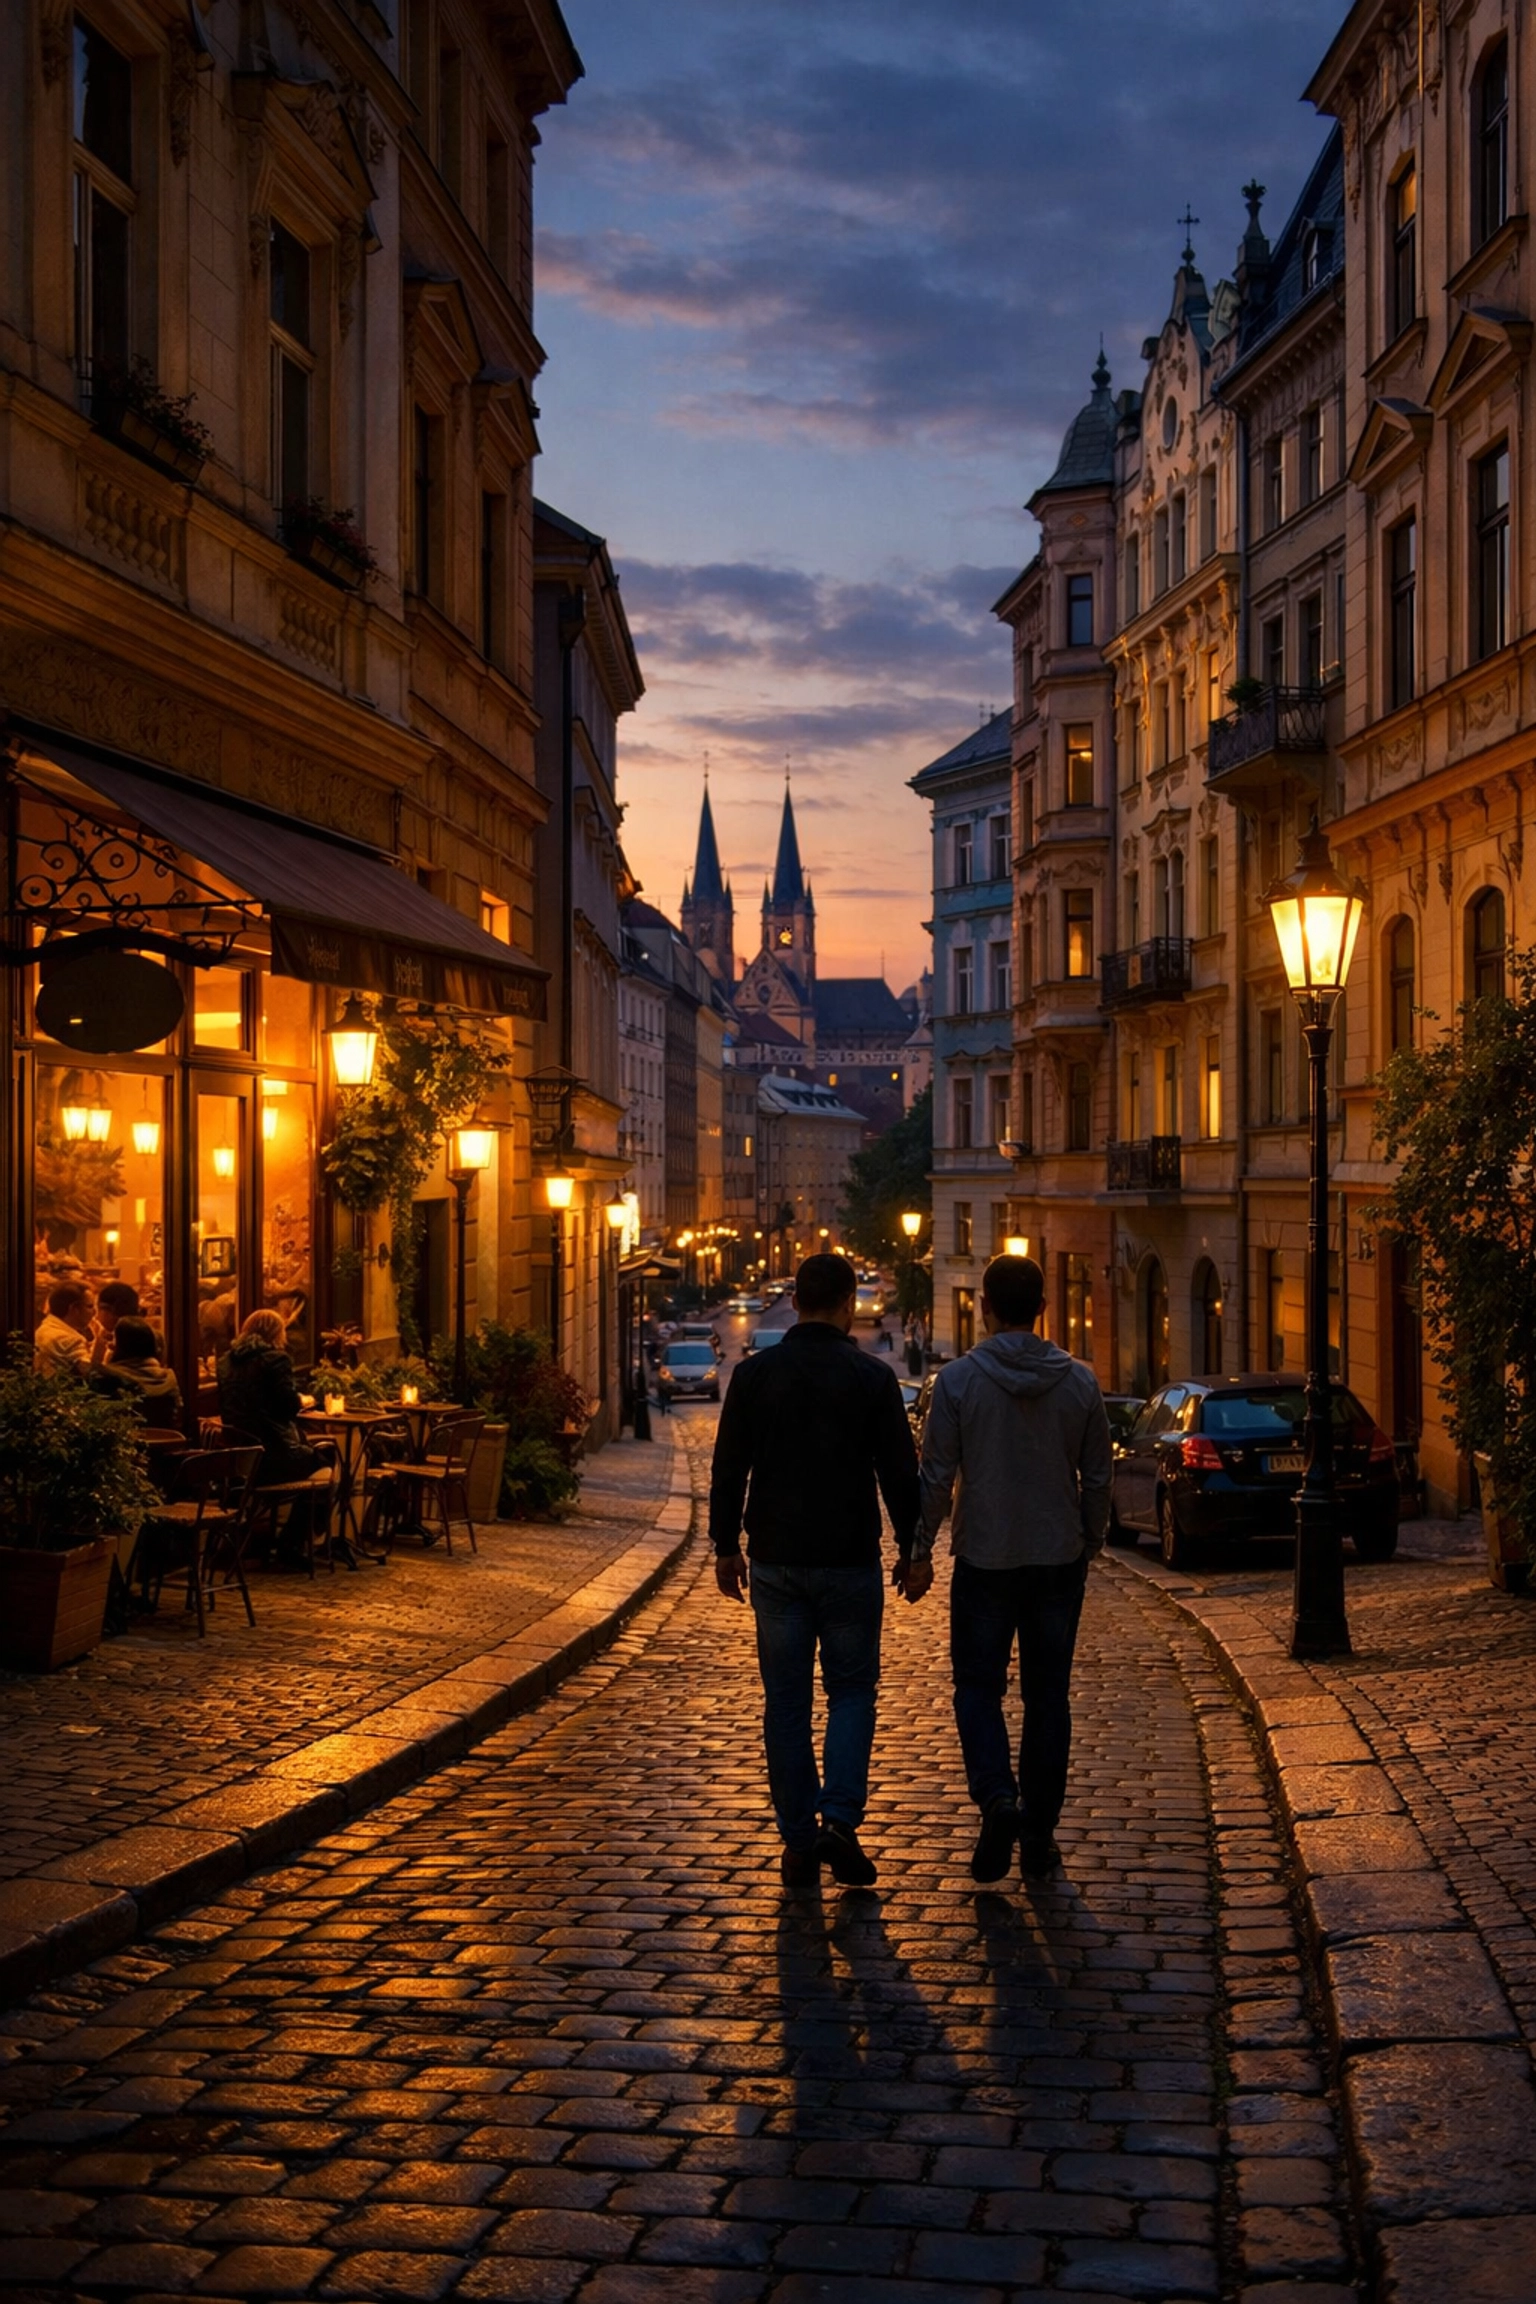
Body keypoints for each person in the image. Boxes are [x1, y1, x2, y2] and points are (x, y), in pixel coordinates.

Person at [711, 1251, 931, 1889]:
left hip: (777, 1559)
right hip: (847, 1560)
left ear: (799, 1302)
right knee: (852, 1692)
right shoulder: (870, 1377)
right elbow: (898, 1474)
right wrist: (913, 1553)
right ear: (847, 1305)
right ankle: (838, 1817)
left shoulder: (755, 1377)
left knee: (785, 1701)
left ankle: (798, 1842)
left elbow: (729, 1466)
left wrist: (727, 1544)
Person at [918, 1254, 1111, 1885]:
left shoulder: (958, 1383)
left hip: (986, 1559)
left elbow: (936, 1477)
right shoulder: (1080, 1382)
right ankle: (1040, 1835)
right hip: (1057, 1558)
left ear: (985, 1307)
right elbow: (1099, 1473)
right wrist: (1091, 1536)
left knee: (978, 1690)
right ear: (1043, 1309)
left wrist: (918, 1547)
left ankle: (997, 1798)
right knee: (1048, 1699)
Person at [218, 1309, 333, 1562]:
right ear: (277, 1333)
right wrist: (303, 1400)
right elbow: (287, 1406)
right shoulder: (276, 1359)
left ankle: (272, 1538)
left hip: (238, 1458)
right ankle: (293, 1544)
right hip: (272, 1456)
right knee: (324, 1462)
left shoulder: (225, 1361)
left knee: (314, 1457)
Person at [97, 1318, 182, 1427]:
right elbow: (177, 1415)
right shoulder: (169, 1377)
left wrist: (96, 1362)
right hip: (167, 1441)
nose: (110, 1345)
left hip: (125, 1442)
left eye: (114, 1340)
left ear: (121, 1347)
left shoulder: (107, 1378)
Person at [34, 1280, 107, 1377]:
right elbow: (90, 1376)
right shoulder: (70, 1340)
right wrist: (100, 1348)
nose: (94, 1312)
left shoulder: (45, 1327)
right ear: (74, 1309)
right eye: (90, 1306)